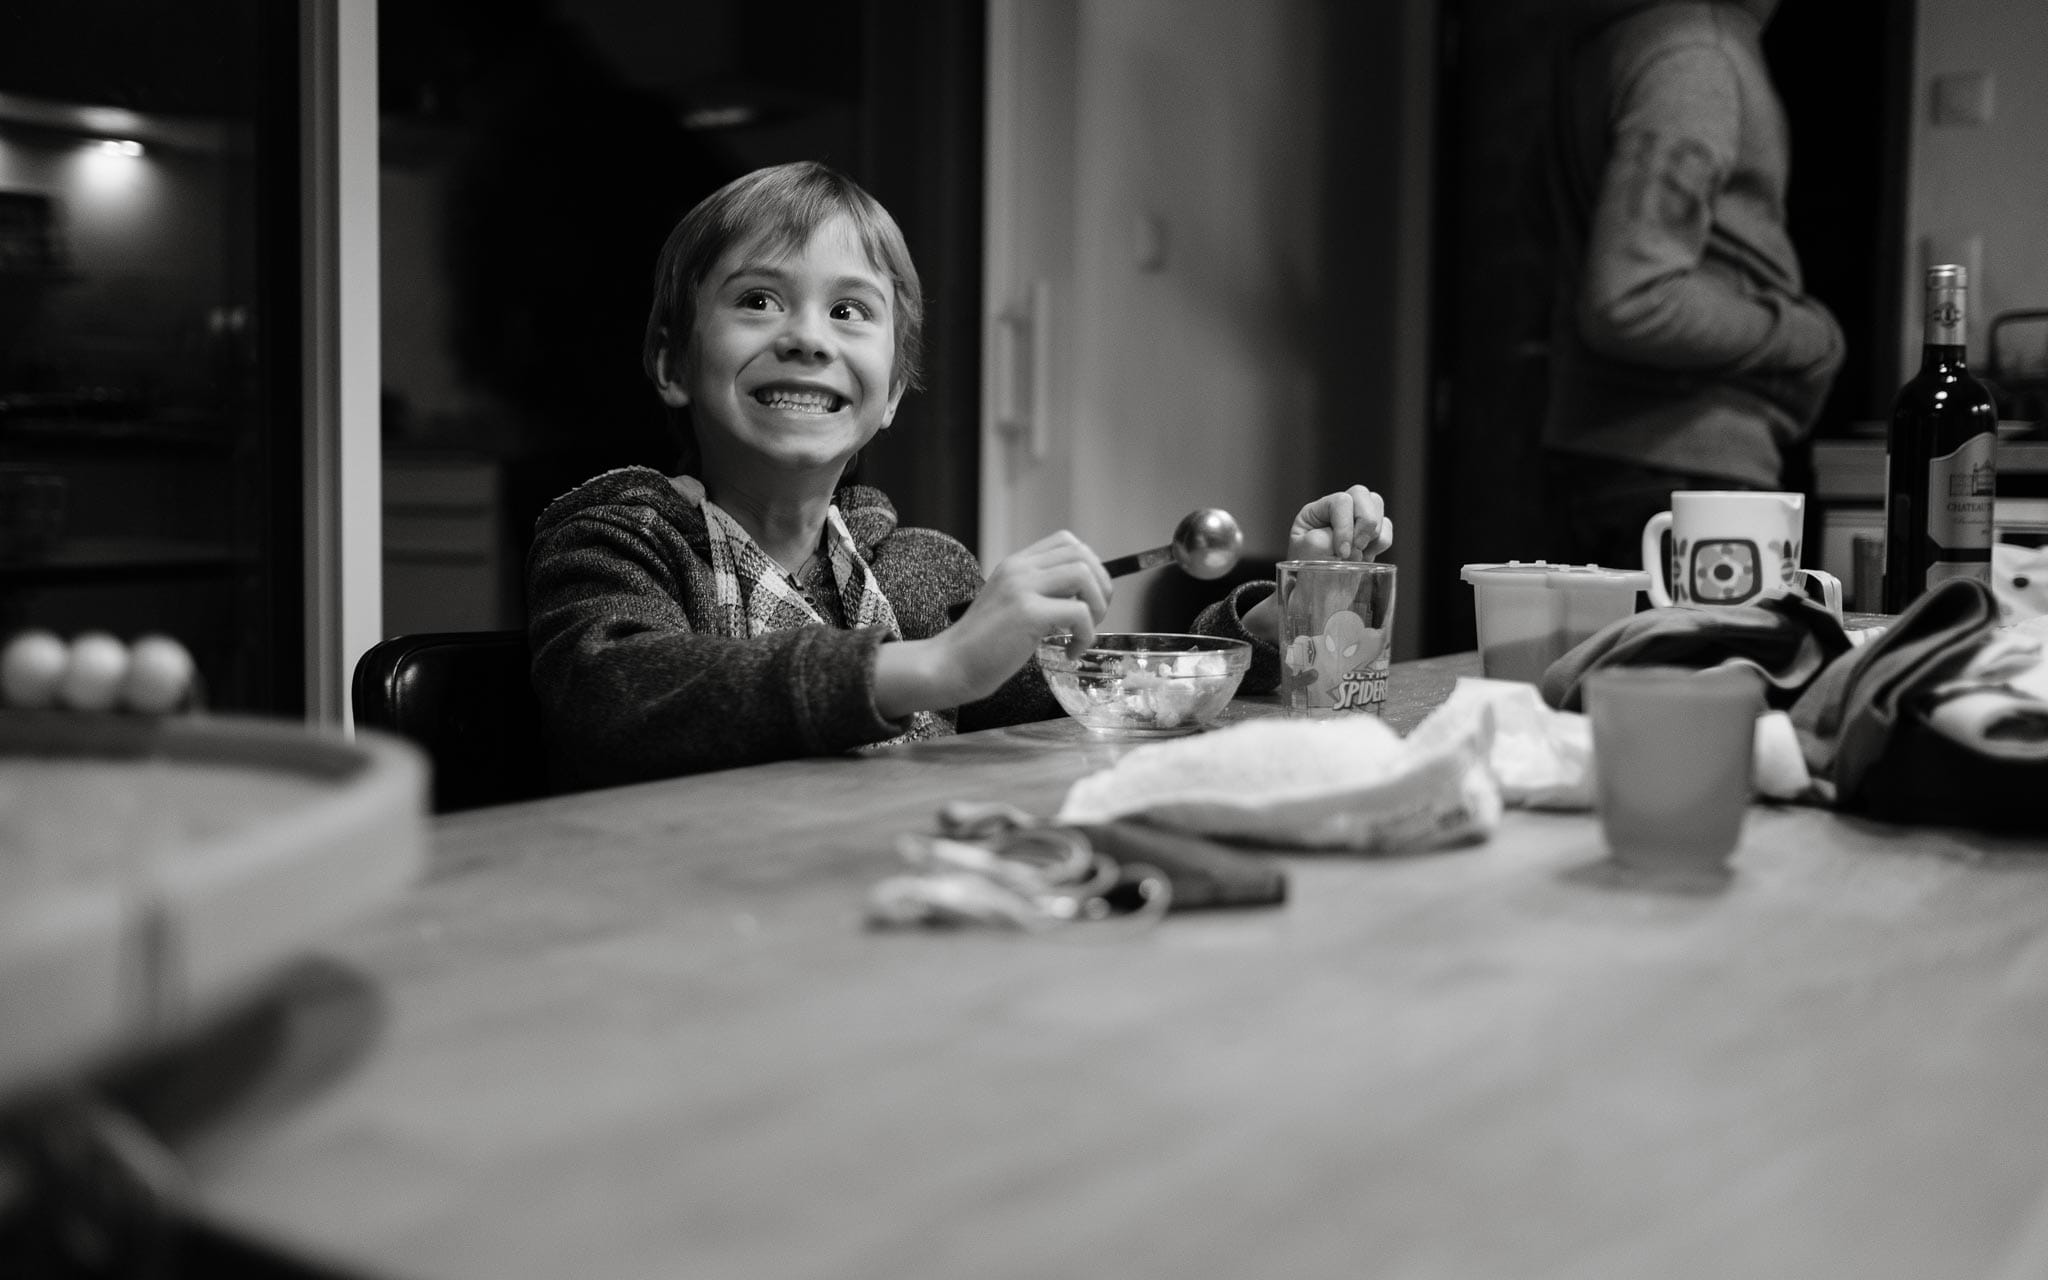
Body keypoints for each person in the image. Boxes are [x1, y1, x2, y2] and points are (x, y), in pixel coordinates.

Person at [526, 161, 1392, 789]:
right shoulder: (618, 536)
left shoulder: (918, 571)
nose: (806, 336)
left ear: (893, 391)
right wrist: (933, 669)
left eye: (849, 311)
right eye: (757, 299)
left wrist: (1298, 608)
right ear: (673, 362)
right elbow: (616, 700)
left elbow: (1097, 695)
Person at [1539, 0, 1843, 571]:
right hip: (1684, 466)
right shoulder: (1693, 53)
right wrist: (1808, 338)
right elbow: (1629, 302)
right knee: (1710, 663)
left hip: (1615, 455)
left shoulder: (1621, 34)